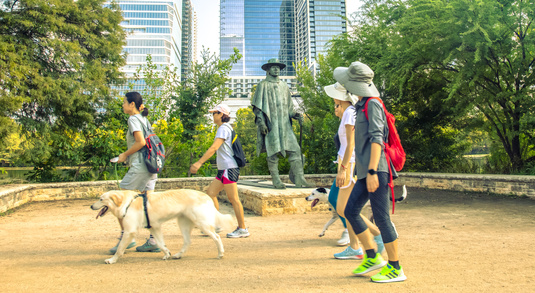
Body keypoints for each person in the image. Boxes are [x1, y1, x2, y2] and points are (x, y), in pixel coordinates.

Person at [334, 61, 407, 282]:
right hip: (366, 171)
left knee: (382, 219)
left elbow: (377, 138)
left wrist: (374, 171)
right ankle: (373, 256)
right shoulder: (360, 105)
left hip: (377, 170)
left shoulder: (373, 104)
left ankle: (395, 268)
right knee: (350, 211)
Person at [324, 82, 384, 260]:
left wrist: (343, 170)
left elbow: (351, 144)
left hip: (348, 164)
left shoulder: (350, 113)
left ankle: (376, 235)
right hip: (346, 162)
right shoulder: (348, 112)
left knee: (345, 209)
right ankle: (355, 246)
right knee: (346, 209)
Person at [251, 58, 313, 189]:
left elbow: (289, 108)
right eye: (273, 67)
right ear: (267, 69)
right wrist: (262, 123)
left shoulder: (284, 86)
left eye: (278, 67)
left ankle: (300, 179)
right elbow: (258, 107)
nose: (276, 69)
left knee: (295, 150)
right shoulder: (262, 85)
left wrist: (296, 115)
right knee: (272, 152)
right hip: (271, 123)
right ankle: (276, 180)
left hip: (285, 125)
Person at [189, 104, 249, 238]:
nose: (212, 116)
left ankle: (242, 228)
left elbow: (213, 148)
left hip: (229, 168)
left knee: (234, 199)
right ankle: (216, 225)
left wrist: (199, 163)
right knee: (210, 193)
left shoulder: (223, 129)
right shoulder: (223, 128)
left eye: (214, 113)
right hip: (224, 170)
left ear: (222, 114)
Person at [110, 91, 160, 254]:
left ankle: (127, 238)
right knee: (148, 204)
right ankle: (154, 240)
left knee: (119, 200)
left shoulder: (133, 119)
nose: (123, 105)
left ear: (132, 104)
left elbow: (140, 142)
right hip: (151, 165)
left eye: (124, 102)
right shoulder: (144, 119)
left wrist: (124, 155)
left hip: (140, 166)